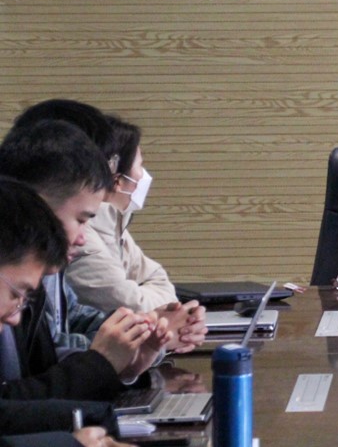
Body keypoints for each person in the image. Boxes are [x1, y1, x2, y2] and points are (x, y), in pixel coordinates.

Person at [0, 120, 179, 402]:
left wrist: (128, 357)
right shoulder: (16, 272)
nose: (84, 238)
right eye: (81, 220)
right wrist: (103, 363)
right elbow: (12, 404)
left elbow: (42, 371)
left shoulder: (33, 277)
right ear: (37, 205)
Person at [7, 102, 202, 353]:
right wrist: (137, 341)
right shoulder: (42, 247)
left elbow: (74, 318)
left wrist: (149, 327)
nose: (112, 179)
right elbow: (47, 357)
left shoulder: (80, 228)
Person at [66, 114, 177, 314]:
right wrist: (160, 307)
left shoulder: (114, 222)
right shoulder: (80, 234)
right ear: (117, 180)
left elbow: (157, 278)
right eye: (140, 166)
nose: (144, 175)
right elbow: (132, 305)